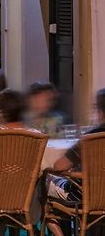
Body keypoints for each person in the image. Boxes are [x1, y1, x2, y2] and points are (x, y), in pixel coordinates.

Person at [45, 89, 105, 236]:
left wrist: (72, 173)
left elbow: (60, 166)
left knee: (44, 181)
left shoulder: (91, 138)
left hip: (87, 195)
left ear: (100, 110)